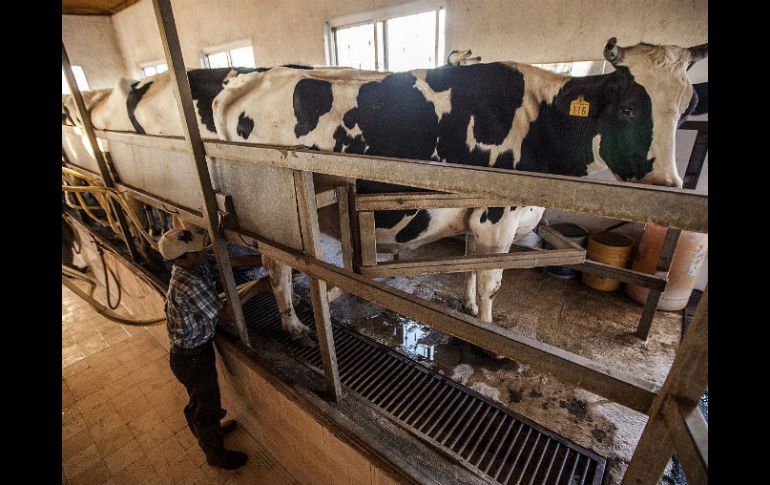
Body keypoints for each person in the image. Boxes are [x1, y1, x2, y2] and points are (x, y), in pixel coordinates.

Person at [158, 228, 265, 470]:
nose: (204, 249)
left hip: (190, 353)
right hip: (192, 358)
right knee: (207, 404)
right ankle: (215, 454)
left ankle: (207, 432)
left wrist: (268, 260)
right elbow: (225, 315)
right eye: (197, 249)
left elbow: (232, 261)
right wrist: (258, 287)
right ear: (181, 258)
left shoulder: (194, 265)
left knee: (199, 400)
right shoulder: (187, 284)